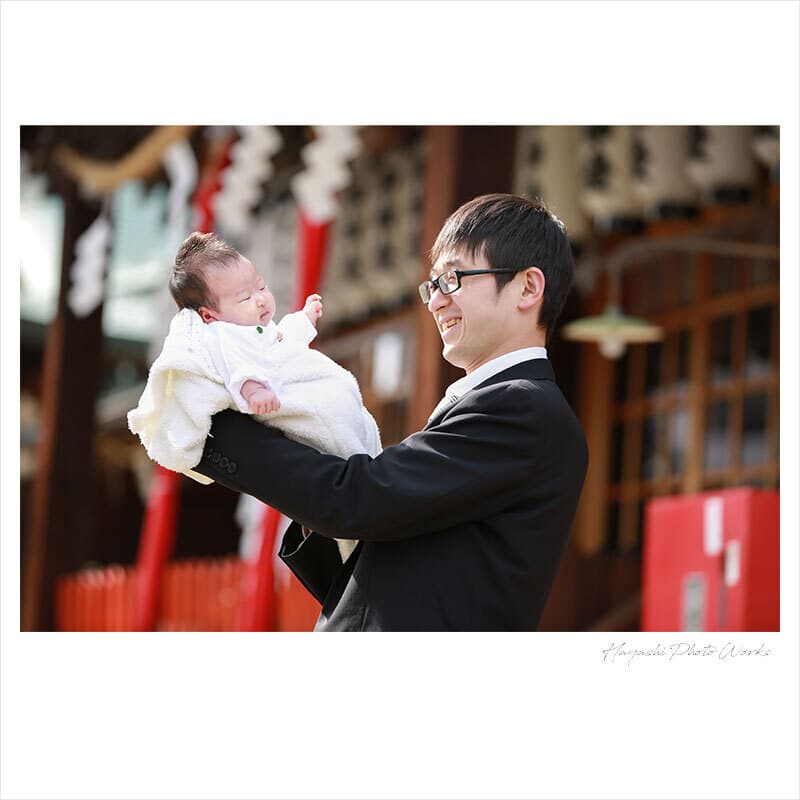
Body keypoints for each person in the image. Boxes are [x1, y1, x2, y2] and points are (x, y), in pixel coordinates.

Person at [193, 194, 589, 631]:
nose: (436, 302)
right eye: (433, 285)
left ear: (528, 288)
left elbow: (360, 499)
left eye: (454, 280)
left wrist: (206, 427)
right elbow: (394, 568)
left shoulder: (522, 406)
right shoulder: (500, 403)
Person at [128, 232, 382, 560]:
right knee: (351, 478)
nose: (261, 300)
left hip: (321, 395)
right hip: (299, 408)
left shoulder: (256, 330)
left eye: (261, 287)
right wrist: (255, 391)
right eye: (245, 298)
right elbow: (239, 370)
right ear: (210, 315)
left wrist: (305, 319)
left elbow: (283, 340)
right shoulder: (225, 336)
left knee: (360, 456)